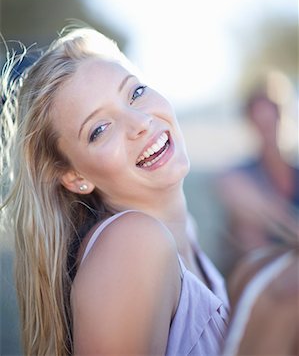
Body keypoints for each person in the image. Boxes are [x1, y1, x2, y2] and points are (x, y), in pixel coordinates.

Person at [0, 26, 229, 356]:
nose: (140, 122)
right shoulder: (132, 246)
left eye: (135, 93)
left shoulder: (185, 235)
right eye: (99, 129)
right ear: (74, 176)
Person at [215, 89, 299, 274]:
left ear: (282, 118)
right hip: (267, 270)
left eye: (271, 120)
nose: (266, 128)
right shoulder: (240, 174)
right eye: (259, 122)